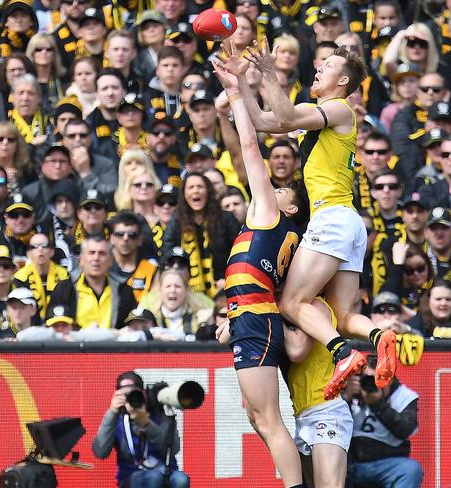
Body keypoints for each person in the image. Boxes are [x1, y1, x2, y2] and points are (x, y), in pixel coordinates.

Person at [221, 39, 397, 399]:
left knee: (291, 303)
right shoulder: (317, 114)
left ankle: (343, 353)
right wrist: (241, 83)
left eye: (328, 65)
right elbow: (264, 121)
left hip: (331, 219)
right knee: (345, 316)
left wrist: (269, 72)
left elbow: (283, 117)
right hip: (348, 224)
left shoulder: (340, 108)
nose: (318, 68)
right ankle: (382, 336)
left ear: (344, 81)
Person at [213, 56, 313, 487]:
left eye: (284, 189)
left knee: (268, 420)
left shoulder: (271, 214)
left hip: (255, 320)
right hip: (251, 315)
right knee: (257, 417)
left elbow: (249, 149)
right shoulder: (282, 230)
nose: (275, 186)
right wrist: (233, 317)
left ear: (290, 206)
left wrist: (237, 93)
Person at [92, 371, 190, 488]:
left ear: (144, 394)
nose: (130, 399)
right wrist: (112, 411)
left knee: (182, 480)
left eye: (134, 394)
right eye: (125, 395)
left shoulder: (159, 413)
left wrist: (146, 423)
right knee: (153, 478)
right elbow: (100, 452)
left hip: (164, 470)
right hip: (132, 474)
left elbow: (173, 449)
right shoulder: (117, 420)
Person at [343, 355, 423, 488]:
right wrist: (346, 398)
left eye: (379, 379)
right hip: (351, 463)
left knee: (411, 469)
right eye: (369, 379)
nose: (373, 384)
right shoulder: (351, 393)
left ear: (390, 379)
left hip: (388, 464)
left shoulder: (404, 397)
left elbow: (405, 430)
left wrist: (378, 405)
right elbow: (332, 426)